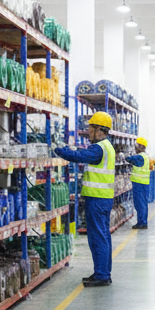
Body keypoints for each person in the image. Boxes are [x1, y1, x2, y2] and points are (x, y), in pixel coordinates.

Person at [56, 111, 116, 287]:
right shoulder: (107, 147)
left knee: (98, 237)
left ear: (99, 130)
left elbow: (81, 156)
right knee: (103, 236)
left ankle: (102, 275)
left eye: (90, 129)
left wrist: (63, 151)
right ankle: (102, 272)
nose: (88, 132)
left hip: (97, 200)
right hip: (102, 199)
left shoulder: (99, 148)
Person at [126, 137, 151, 230]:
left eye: (136, 146)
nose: (135, 148)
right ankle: (142, 221)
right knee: (142, 203)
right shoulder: (145, 156)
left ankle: (142, 223)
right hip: (143, 184)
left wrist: (122, 155)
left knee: (139, 204)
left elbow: (129, 159)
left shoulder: (140, 156)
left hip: (139, 184)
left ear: (141, 146)